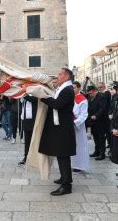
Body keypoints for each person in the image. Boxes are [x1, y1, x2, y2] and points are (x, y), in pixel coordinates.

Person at [38, 68, 76, 196]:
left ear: (66, 77)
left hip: (63, 128)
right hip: (60, 127)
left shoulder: (68, 90)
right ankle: (63, 178)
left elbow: (57, 104)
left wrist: (42, 97)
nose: (57, 76)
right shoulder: (63, 89)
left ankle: (66, 185)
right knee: (61, 155)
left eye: (60, 74)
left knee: (63, 155)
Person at [71, 81, 90, 172]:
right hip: (69, 125)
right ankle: (71, 163)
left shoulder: (83, 99)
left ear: (79, 88)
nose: (72, 89)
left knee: (79, 145)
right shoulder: (69, 97)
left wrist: (75, 122)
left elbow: (84, 115)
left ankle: (79, 165)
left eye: (74, 87)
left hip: (78, 126)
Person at [86, 85, 108, 160]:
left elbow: (103, 108)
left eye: (91, 93)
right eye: (89, 93)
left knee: (101, 138)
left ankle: (102, 154)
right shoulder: (90, 97)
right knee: (95, 137)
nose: (90, 94)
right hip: (93, 121)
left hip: (100, 121)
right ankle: (97, 151)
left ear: (95, 91)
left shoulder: (101, 97)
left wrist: (96, 115)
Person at [18, 94, 38, 165]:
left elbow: (33, 99)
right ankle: (26, 157)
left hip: (34, 119)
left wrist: (24, 93)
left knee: (35, 140)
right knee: (27, 140)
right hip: (26, 119)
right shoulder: (25, 94)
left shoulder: (35, 91)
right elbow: (21, 102)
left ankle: (35, 158)